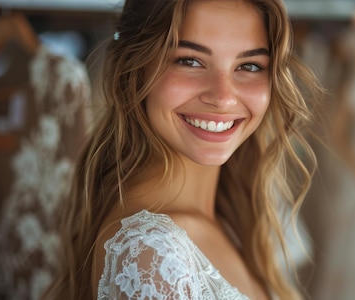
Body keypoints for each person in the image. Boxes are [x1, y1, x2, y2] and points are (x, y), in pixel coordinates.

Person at [42, 0, 322, 299]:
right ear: (134, 69)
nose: (223, 97)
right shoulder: (151, 253)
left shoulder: (235, 222)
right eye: (190, 61)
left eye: (249, 66)